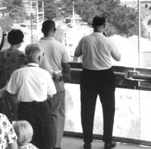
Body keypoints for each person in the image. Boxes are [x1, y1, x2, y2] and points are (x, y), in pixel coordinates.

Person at [74, 16, 121, 149]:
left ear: (92, 25)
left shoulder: (85, 40)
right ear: (104, 26)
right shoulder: (108, 41)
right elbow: (118, 57)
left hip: (88, 76)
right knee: (108, 109)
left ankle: (87, 142)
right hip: (106, 76)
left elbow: (76, 54)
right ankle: (108, 141)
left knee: (87, 109)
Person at [2, 43, 56, 149]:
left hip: (24, 108)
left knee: (24, 138)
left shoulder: (18, 73)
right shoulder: (45, 73)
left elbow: (10, 93)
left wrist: (15, 105)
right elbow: (51, 94)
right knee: (44, 138)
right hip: (42, 108)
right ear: (39, 57)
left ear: (26, 57)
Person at [36, 20, 71, 149]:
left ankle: (42, 143)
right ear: (54, 30)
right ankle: (55, 144)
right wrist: (64, 77)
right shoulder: (60, 46)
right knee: (57, 114)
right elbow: (66, 68)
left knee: (40, 114)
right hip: (56, 83)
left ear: (42, 30)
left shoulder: (35, 46)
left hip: (38, 84)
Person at [0, 29, 27, 121]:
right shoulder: (22, 56)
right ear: (20, 41)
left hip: (2, 88)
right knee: (15, 117)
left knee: (2, 117)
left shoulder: (1, 54)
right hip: (16, 90)